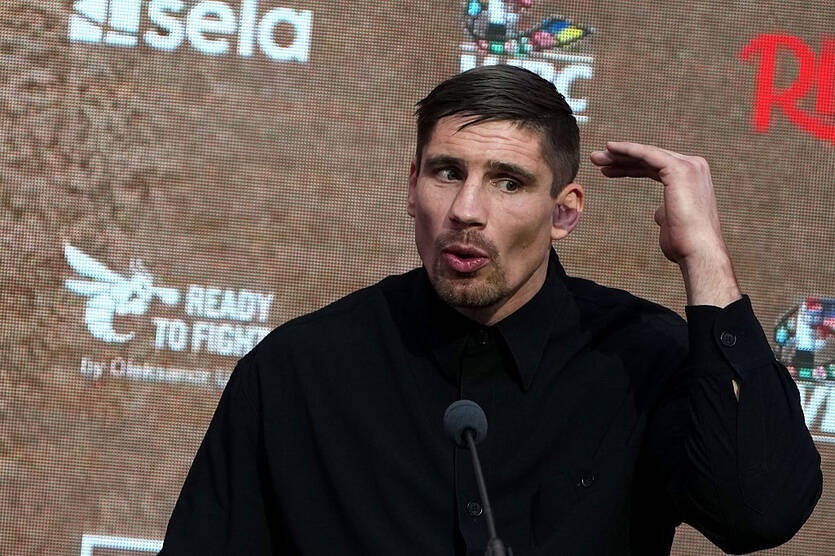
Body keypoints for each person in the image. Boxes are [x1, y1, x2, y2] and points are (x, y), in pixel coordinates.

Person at [159, 65, 821, 555]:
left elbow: (757, 513)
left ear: (563, 213)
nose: (466, 210)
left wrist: (704, 255)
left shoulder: (640, 356)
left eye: (508, 181)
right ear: (411, 187)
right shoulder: (298, 370)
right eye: (447, 172)